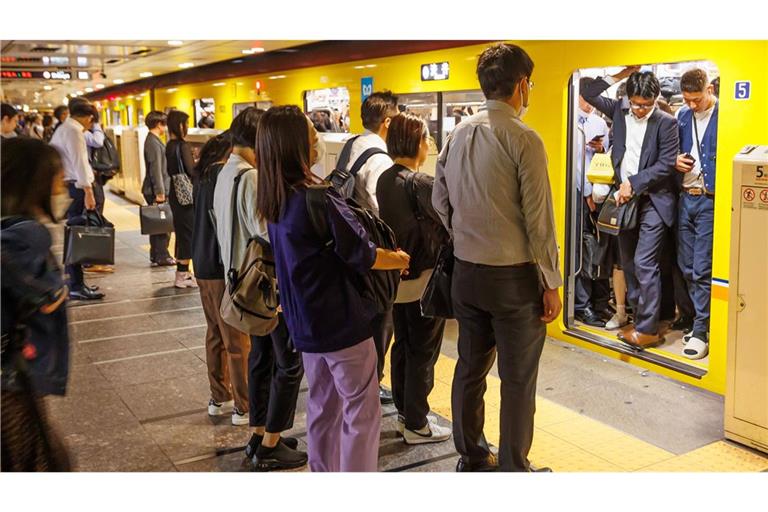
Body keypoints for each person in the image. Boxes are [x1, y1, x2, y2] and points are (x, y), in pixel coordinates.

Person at [255, 105, 410, 471]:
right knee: (361, 409)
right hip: (341, 324)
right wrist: (399, 259)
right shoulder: (318, 198)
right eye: (311, 136)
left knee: (322, 405)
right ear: (295, 146)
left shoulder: (275, 199)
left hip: (304, 324)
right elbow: (363, 253)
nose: (317, 141)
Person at [433, 43, 562, 472]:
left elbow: (439, 200)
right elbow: (539, 221)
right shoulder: (524, 138)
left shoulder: (457, 133)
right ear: (522, 85)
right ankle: (512, 467)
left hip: (466, 275)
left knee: (470, 368)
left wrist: (463, 237)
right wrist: (552, 283)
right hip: (514, 282)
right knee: (518, 378)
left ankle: (471, 456)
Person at [212, 107, 306, 470]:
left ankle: (259, 433)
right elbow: (267, 232)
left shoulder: (225, 173)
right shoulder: (250, 178)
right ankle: (270, 444)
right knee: (289, 363)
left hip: (240, 283)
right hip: (265, 287)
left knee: (262, 358)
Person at [581, 66, 679, 349]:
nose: (640, 110)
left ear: (656, 99)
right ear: (628, 99)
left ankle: (648, 329)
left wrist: (633, 183)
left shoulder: (665, 123)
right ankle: (640, 319)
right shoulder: (619, 111)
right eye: (636, 104)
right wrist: (623, 73)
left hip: (652, 201)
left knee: (646, 263)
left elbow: (665, 164)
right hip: (624, 201)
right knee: (629, 263)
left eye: (646, 105)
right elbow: (589, 91)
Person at [376, 113, 452, 445]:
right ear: (416, 143)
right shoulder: (420, 183)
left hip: (397, 280)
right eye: (425, 139)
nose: (428, 145)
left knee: (403, 345)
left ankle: (407, 413)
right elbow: (450, 216)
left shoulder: (384, 179)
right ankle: (418, 423)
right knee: (423, 350)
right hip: (423, 280)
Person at [1, 137, 72, 471]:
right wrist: (56, 290)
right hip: (11, 380)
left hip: (13, 374)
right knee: (38, 462)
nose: (63, 187)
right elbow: (47, 297)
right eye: (58, 179)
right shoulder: (27, 234)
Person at [191, 131, 253, 423]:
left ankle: (219, 396)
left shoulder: (204, 175)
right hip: (219, 264)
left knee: (215, 333)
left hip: (202, 263)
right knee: (237, 340)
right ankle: (244, 405)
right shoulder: (223, 175)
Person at [347, 90, 400, 404]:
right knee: (381, 320)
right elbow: (384, 211)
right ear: (388, 122)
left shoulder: (353, 145)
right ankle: (372, 382)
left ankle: (361, 378)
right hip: (373, 252)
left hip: (352, 246)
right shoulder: (379, 159)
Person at [674, 68, 718, 360]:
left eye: (697, 99)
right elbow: (671, 151)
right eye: (688, 99)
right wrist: (674, 160)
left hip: (709, 200)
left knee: (701, 267)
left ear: (710, 90)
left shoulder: (724, 117)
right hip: (684, 198)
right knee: (686, 266)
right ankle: (699, 321)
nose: (692, 105)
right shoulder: (682, 116)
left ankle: (701, 331)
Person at [48, 99, 105, 301]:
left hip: (70, 186)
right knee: (77, 236)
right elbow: (80, 163)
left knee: (75, 234)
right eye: (92, 120)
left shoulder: (65, 128)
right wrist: (88, 192)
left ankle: (76, 282)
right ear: (88, 117)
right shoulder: (74, 131)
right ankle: (75, 285)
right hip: (76, 187)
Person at [574, 77, 612, 327]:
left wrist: (599, 149)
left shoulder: (600, 122)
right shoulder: (569, 118)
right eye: (585, 99)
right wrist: (586, 194)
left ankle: (600, 302)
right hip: (578, 193)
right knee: (582, 250)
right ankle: (581, 304)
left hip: (599, 193)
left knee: (599, 249)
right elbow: (574, 163)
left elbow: (606, 158)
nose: (588, 104)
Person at [165, 110, 198, 288]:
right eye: (185, 124)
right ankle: (182, 274)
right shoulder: (182, 145)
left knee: (182, 232)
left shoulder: (170, 145)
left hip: (175, 194)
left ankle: (183, 272)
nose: (186, 127)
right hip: (184, 195)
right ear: (180, 125)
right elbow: (191, 171)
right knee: (188, 234)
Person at [141, 111, 175, 267]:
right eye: (164, 124)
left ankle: (156, 254)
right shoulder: (153, 142)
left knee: (156, 224)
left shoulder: (152, 140)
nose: (165, 127)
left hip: (153, 189)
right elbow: (156, 169)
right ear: (158, 124)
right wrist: (160, 192)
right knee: (162, 224)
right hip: (156, 189)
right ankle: (162, 255)